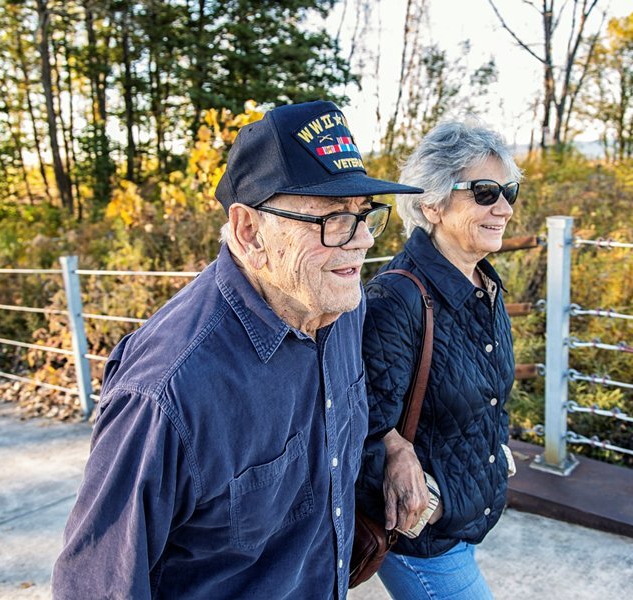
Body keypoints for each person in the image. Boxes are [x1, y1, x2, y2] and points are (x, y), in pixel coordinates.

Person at [52, 100, 422, 599]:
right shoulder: (168, 391)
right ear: (250, 230)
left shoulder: (340, 305)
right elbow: (97, 586)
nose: (359, 242)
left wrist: (393, 447)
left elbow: (336, 437)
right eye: (334, 219)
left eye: (364, 215)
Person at [355, 121, 521, 599]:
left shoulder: (483, 286)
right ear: (432, 203)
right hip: (423, 541)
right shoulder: (398, 297)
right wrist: (394, 450)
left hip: (465, 520)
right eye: (484, 192)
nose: (504, 208)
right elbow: (356, 415)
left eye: (507, 191)